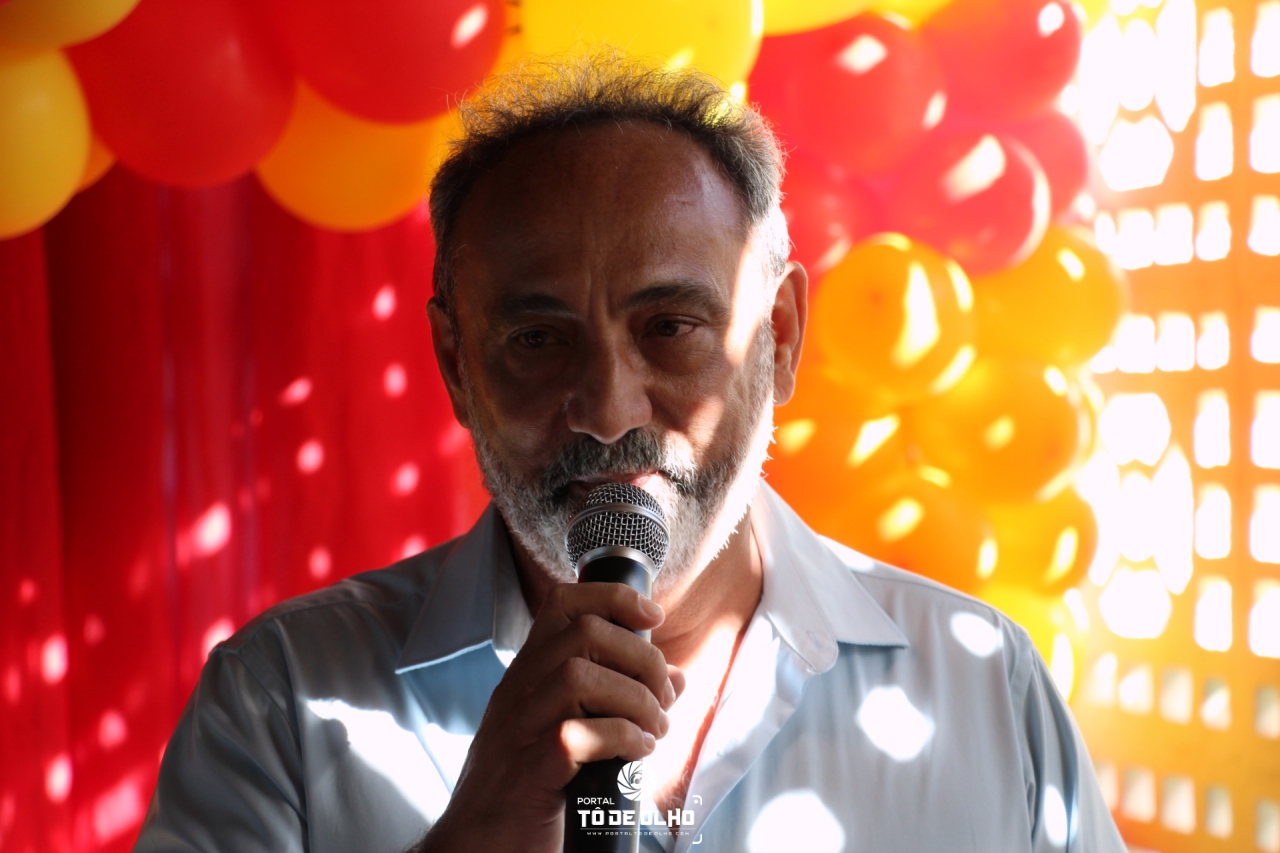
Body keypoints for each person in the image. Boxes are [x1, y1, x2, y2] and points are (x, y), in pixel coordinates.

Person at [133, 52, 1126, 853]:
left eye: (670, 327)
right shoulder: (280, 700)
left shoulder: (985, 686)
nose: (608, 413)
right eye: (537, 339)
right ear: (455, 364)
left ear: (779, 338)